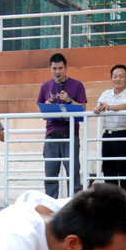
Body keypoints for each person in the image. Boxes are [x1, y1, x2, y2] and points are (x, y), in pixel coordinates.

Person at [37, 53, 87, 198]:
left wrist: (69, 100)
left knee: (73, 172)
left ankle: (74, 204)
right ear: (50, 68)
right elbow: (40, 108)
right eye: (54, 68)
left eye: (60, 68)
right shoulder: (45, 86)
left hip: (70, 133)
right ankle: (51, 203)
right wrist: (46, 105)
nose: (57, 71)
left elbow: (83, 108)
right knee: (51, 173)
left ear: (66, 68)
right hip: (51, 134)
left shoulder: (77, 85)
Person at [93, 64, 126, 196]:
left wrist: (110, 107)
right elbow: (97, 107)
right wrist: (98, 108)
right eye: (115, 76)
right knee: (109, 173)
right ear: (111, 78)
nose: (118, 79)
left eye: (121, 76)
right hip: (108, 136)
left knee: (124, 173)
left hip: (123, 136)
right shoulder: (106, 94)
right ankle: (111, 204)